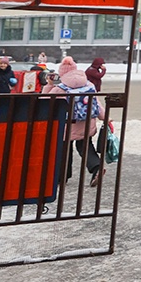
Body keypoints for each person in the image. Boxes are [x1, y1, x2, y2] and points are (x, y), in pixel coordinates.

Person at [45, 56, 104, 187]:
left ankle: (62, 176)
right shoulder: (89, 84)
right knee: (85, 145)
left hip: (67, 124)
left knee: (64, 149)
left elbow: (45, 100)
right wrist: (104, 117)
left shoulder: (60, 88)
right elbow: (96, 102)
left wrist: (49, 84)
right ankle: (96, 167)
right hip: (87, 122)